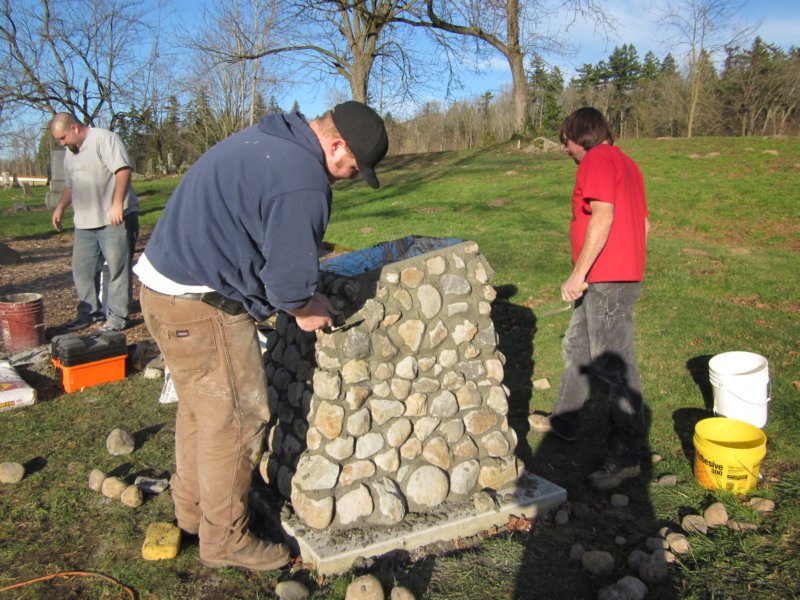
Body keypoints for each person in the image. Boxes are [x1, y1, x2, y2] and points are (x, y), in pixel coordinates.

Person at [134, 101, 388, 571]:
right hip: (201, 303)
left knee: (200, 408)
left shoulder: (270, 139)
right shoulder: (303, 180)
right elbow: (290, 287)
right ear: (336, 146)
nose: (351, 178)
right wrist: (306, 309)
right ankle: (225, 540)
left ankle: (192, 512)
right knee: (236, 419)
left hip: (161, 287)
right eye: (353, 168)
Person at [529, 107, 650, 491]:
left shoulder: (596, 159)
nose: (564, 149)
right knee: (578, 347)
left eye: (565, 141)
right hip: (609, 276)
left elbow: (602, 216)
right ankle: (564, 422)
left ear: (579, 136)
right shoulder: (628, 164)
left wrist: (579, 274)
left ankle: (627, 457)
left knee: (615, 367)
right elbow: (644, 224)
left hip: (607, 279)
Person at [50, 113, 139, 332]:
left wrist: (117, 203)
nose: (61, 143)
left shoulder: (104, 139)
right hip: (85, 222)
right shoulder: (71, 153)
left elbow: (123, 170)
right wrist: (60, 207)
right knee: (83, 270)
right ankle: (89, 313)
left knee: (118, 269)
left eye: (62, 138)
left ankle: (118, 317)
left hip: (113, 218)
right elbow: (71, 185)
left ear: (75, 128)